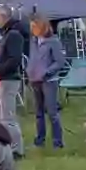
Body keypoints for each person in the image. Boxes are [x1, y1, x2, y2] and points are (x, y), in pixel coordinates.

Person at [0, 5, 28, 158]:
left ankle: (17, 149)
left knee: (8, 117)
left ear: (3, 17)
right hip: (1, 79)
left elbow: (14, 59)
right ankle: (3, 145)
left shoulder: (14, 35)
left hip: (8, 80)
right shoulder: (7, 34)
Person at [27, 17, 67, 150]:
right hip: (34, 80)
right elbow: (32, 58)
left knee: (52, 112)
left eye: (35, 27)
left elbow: (60, 62)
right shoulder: (33, 42)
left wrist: (47, 72)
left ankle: (58, 142)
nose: (32, 30)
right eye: (31, 27)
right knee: (38, 113)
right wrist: (29, 70)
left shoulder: (53, 42)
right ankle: (40, 140)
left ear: (42, 27)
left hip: (49, 81)